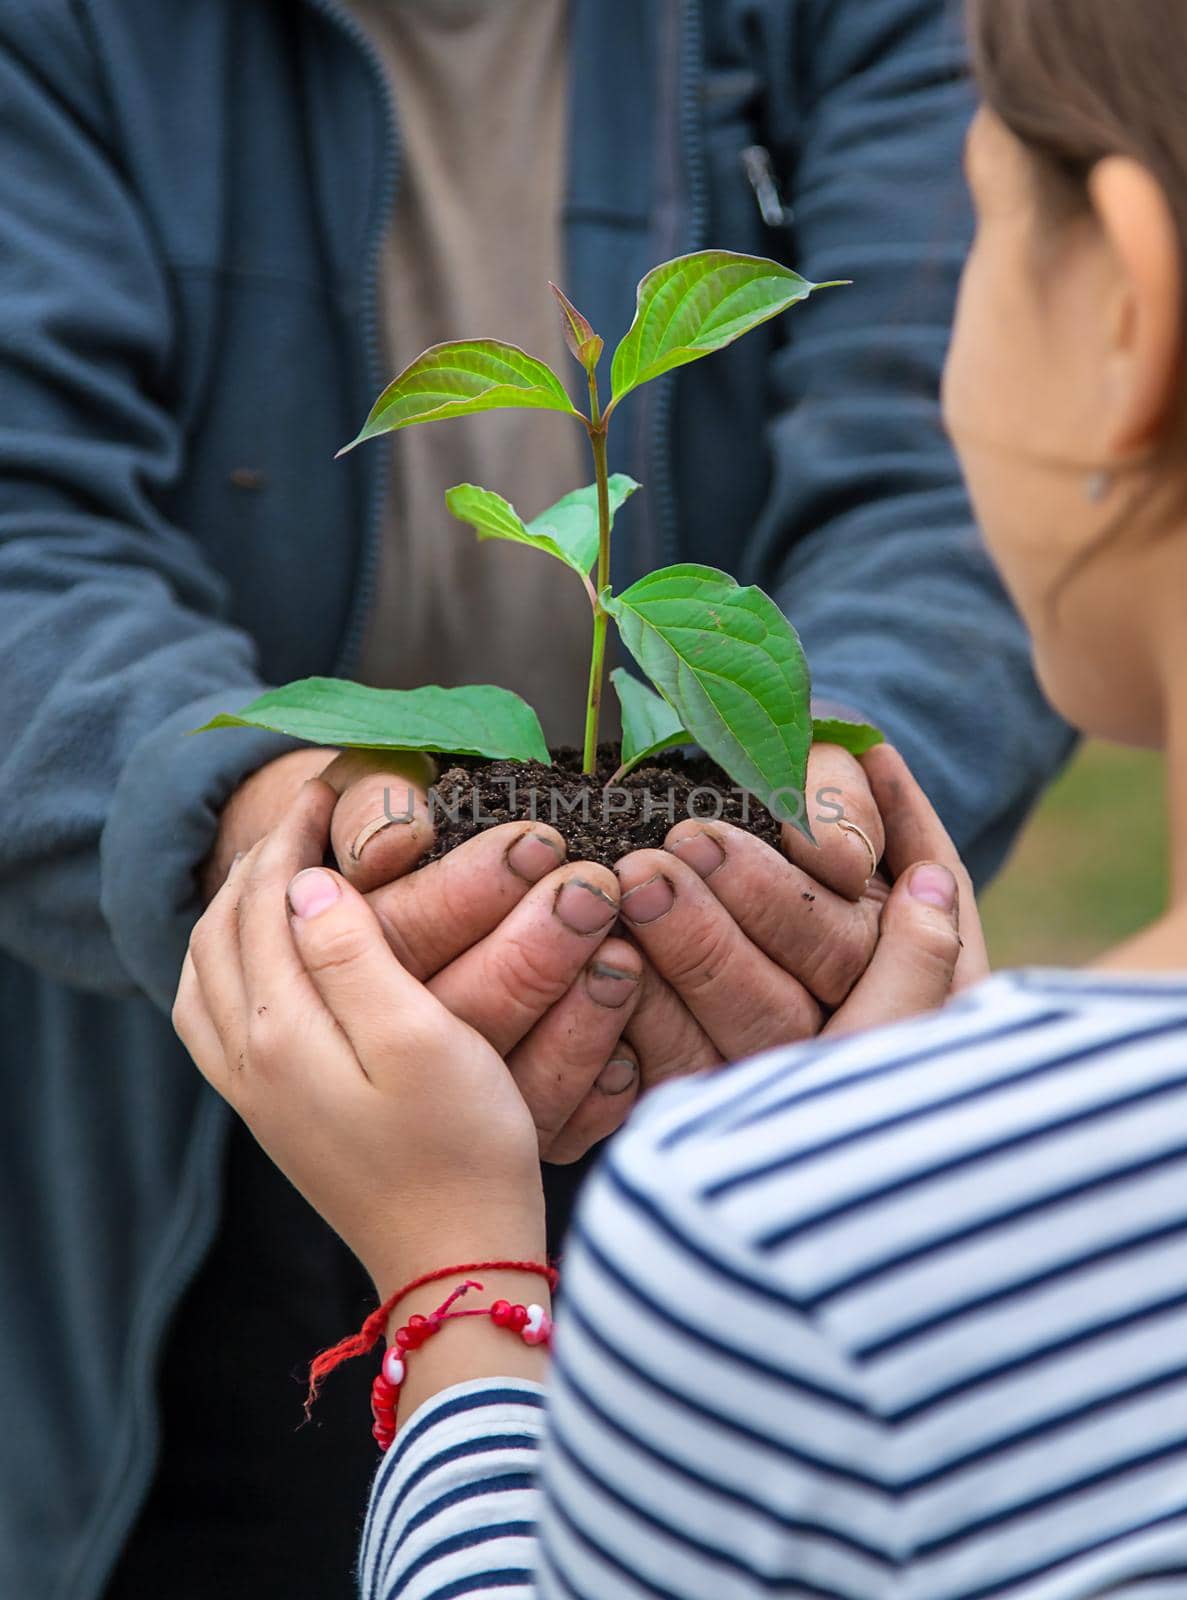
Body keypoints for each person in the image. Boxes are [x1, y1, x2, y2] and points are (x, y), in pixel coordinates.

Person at [0, 1, 1069, 1595]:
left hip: (758, 1059)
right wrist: (252, 822)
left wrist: (827, 789)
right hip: (190, 1107)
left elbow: (963, 469)